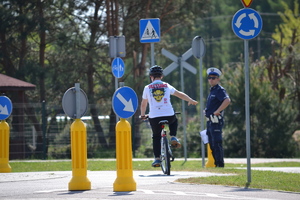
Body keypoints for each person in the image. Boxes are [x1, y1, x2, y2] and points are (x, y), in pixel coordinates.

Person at [140, 65, 198, 167]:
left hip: (154, 116)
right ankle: (173, 137)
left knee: (156, 136)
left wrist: (143, 115)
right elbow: (179, 94)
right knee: (174, 120)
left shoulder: (147, 88)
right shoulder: (166, 86)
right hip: (168, 115)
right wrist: (190, 100)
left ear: (151, 76)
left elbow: (144, 104)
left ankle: (157, 159)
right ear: (161, 76)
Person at [205, 67, 230, 167]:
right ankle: (217, 164)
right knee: (211, 144)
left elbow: (227, 100)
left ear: (218, 79)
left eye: (213, 78)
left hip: (216, 121)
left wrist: (218, 111)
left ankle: (220, 165)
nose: (211, 79)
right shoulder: (213, 90)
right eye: (209, 77)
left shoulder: (219, 90)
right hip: (210, 121)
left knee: (216, 143)